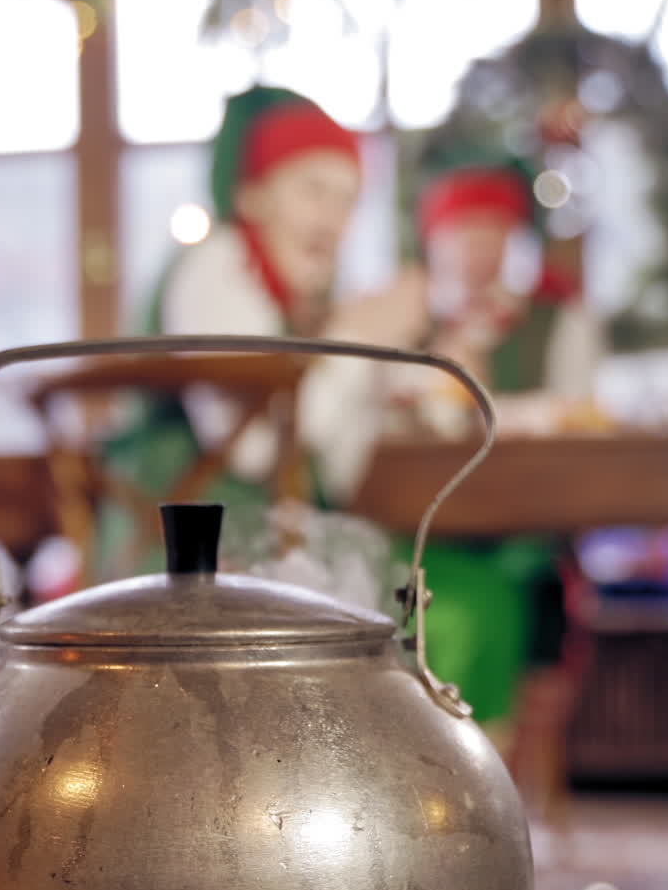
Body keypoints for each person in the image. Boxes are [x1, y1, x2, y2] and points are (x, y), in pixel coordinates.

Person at [101, 86, 426, 571]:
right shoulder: (218, 267)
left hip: (268, 549)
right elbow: (253, 451)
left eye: (347, 200)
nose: (332, 219)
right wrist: (355, 341)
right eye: (313, 191)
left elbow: (335, 472)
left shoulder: (297, 303)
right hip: (184, 559)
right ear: (253, 197)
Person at [396, 148, 607, 727]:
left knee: (532, 592)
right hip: (424, 532)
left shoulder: (555, 318)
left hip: (525, 534)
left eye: (492, 231)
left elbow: (575, 411)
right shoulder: (406, 323)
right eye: (462, 232)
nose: (476, 248)